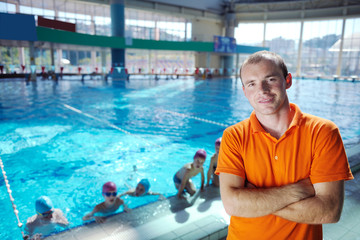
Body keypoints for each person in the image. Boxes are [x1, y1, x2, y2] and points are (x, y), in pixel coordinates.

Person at [215, 50, 353, 240]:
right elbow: (232, 205)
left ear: (287, 80)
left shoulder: (323, 132)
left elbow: (329, 211)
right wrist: (301, 190)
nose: (262, 90)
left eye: (270, 79)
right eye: (252, 84)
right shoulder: (234, 136)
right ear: (245, 91)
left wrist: (255, 199)